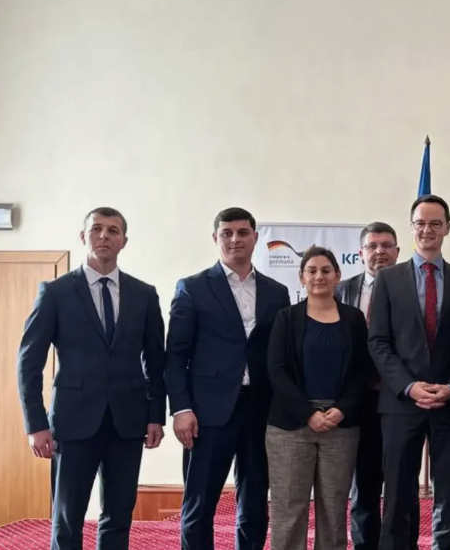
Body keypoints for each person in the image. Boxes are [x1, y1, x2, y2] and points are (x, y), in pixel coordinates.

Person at [17, 207, 166, 550]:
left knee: (119, 515)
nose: (104, 235)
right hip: (72, 421)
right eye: (96, 229)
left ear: (123, 241)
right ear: (83, 237)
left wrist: (156, 415)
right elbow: (29, 362)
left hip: (128, 422)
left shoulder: (144, 294)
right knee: (67, 517)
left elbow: (155, 361)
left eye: (113, 230)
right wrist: (35, 424)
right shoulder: (55, 292)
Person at [165, 207, 291, 550]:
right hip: (207, 414)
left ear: (255, 237)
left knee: (255, 504)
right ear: (215, 238)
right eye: (227, 233)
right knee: (199, 505)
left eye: (242, 232)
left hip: (261, 411)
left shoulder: (277, 292)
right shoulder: (192, 288)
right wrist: (181, 409)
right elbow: (175, 355)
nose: (235, 239)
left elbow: (280, 356)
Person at [368, 194, 450, 550]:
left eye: (435, 223)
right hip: (401, 403)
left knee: (448, 493)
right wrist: (409, 386)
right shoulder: (388, 279)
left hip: (449, 402)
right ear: (411, 227)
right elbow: (378, 343)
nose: (427, 230)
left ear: (447, 228)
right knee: (398, 494)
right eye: (420, 223)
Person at [266, 246, 374, 550]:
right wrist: (307, 413)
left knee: (334, 511)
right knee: (289, 509)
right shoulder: (286, 318)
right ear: (301, 277)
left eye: (326, 270)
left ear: (338, 276)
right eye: (311, 271)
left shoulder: (353, 319)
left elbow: (363, 371)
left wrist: (342, 409)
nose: (319, 276)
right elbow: (277, 371)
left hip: (340, 426)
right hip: (291, 427)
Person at [337, 222, 401, 550]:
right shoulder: (341, 291)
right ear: (360, 253)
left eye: (386, 245)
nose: (379, 252)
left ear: (398, 252)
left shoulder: (409, 288)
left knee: (401, 484)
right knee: (362, 484)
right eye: (372, 246)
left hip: (399, 399)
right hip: (356, 401)